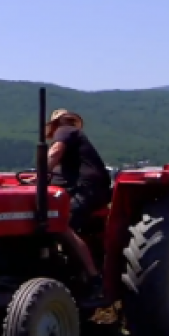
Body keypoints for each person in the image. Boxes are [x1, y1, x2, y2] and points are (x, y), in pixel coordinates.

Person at [45, 108, 111, 301]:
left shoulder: (66, 131)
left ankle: (93, 277)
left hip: (87, 189)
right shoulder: (73, 143)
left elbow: (54, 153)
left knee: (61, 223)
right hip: (82, 189)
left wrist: (41, 172)